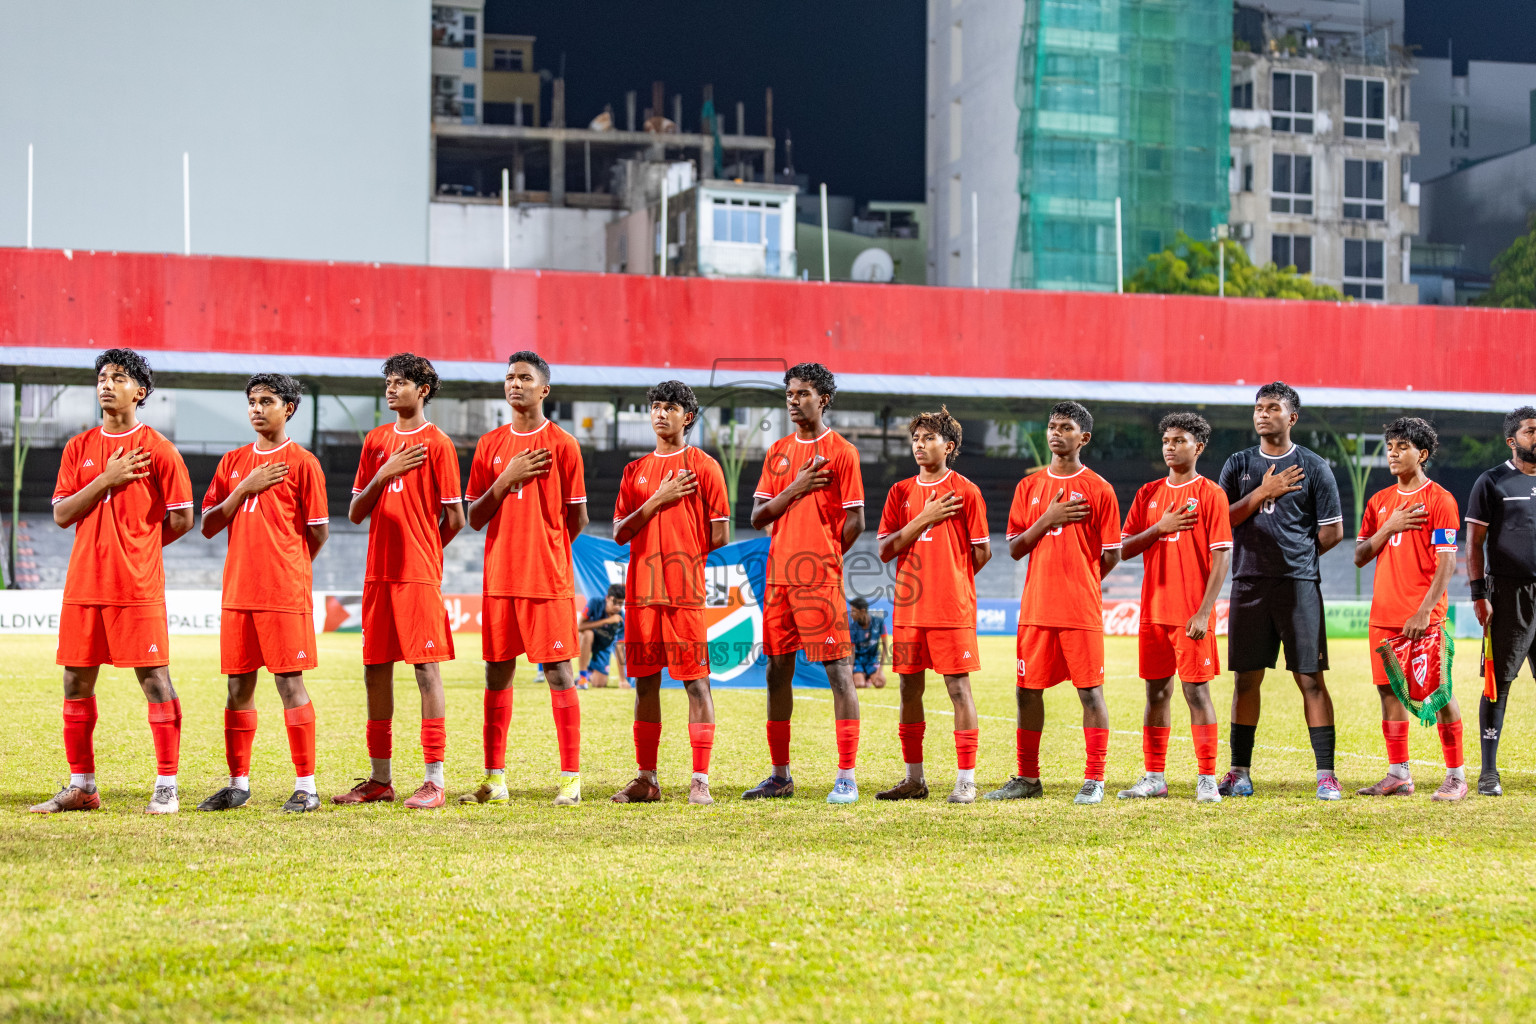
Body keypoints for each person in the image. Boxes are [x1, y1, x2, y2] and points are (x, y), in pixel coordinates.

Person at [31, 348, 195, 815]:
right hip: (84, 584)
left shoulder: (160, 449)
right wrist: (105, 479)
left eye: (118, 377)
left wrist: (139, 548)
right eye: (102, 377)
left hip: (136, 588)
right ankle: (82, 786)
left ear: (140, 392)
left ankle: (166, 786)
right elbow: (62, 513)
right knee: (75, 682)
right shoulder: (78, 448)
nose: (106, 384)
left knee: (156, 681)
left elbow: (182, 518)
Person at [333, 353, 464, 811]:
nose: (391, 389)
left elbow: (455, 517)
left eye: (401, 382)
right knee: (375, 671)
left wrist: (426, 549)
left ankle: (434, 780)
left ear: (423, 389)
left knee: (426, 672)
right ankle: (380, 779)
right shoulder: (375, 441)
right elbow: (354, 512)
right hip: (378, 575)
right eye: (388, 382)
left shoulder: (439, 444)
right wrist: (384, 473)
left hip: (418, 575)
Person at [195, 374, 329, 814]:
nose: (256, 408)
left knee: (290, 683)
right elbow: (210, 524)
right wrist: (243, 488)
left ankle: (306, 786)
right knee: (238, 686)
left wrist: (286, 567)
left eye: (266, 401)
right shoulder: (233, 461)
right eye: (251, 401)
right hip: (238, 593)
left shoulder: (303, 463)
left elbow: (317, 532)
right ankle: (238, 784)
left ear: (288, 407)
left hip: (283, 593)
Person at [461, 351, 587, 807]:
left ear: (544, 389)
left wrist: (545, 547)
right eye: (509, 377)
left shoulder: (564, 444)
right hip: (499, 579)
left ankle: (571, 781)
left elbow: (576, 518)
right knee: (497, 674)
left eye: (525, 378)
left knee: (559, 673)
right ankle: (495, 781)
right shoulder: (489, 445)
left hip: (546, 580)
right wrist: (505, 480)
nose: (515, 384)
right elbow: (474, 516)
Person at [1216, 382, 1346, 801]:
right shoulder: (1238, 464)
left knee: (1310, 678)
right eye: (1258, 407)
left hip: (1298, 585)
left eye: (1273, 408)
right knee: (1245, 680)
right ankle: (1239, 772)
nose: (1262, 414)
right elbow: (1221, 522)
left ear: (1291, 418)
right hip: (1249, 583)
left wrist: (1297, 558)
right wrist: (1261, 493)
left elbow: (1334, 532)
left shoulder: (1314, 466)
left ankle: (1326, 775)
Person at [986, 401, 1121, 805]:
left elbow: (1111, 554)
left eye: (1065, 427)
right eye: (1051, 426)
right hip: (1036, 609)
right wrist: (1047, 518)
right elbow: (1014, 547)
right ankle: (1028, 778)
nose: (1055, 433)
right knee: (1026, 691)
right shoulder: (1028, 488)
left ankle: (1094, 778)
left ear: (1084, 438)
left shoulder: (1100, 489)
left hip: (1079, 610)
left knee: (1090, 692)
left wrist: (1081, 584)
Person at [743, 363, 866, 804]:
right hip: (779, 580)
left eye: (803, 394)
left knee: (839, 673)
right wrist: (794, 488)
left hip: (820, 580)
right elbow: (758, 517)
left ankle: (846, 776)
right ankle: (780, 775)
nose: (794, 401)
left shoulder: (843, 452)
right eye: (790, 394)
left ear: (824, 399)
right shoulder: (777, 452)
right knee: (778, 672)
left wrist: (827, 556)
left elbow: (855, 521)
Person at [610, 381, 731, 805]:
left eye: (671, 407)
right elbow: (621, 531)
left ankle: (700, 779)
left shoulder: (706, 467)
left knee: (697, 685)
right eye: (656, 407)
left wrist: (679, 552)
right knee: (644, 684)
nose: (661, 414)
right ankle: (647, 779)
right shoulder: (635, 471)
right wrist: (657, 501)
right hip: (641, 595)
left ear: (688, 416)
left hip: (683, 594)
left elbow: (720, 534)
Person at [875, 407, 990, 803]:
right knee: (908, 689)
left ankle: (966, 780)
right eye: (916, 439)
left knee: (958, 689)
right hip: (909, 611)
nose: (920, 445)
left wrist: (950, 577)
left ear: (949, 445)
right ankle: (913, 779)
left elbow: (982, 552)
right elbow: (886, 550)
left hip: (950, 610)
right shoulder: (900, 493)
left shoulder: (967, 492)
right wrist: (922, 520)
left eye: (928, 438)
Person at [1117, 413, 1232, 804]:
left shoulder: (1212, 494)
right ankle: (1154, 777)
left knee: (1196, 694)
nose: (1169, 446)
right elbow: (1124, 549)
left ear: (1198, 447)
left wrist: (1204, 611)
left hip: (1191, 615)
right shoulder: (1148, 493)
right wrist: (1159, 528)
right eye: (1166, 440)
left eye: (1179, 440)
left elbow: (1221, 558)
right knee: (1156, 695)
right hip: (1153, 612)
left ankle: (1206, 778)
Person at [1354, 417, 1466, 801]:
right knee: (1389, 693)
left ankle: (1456, 776)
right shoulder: (1379, 502)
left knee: (1438, 692)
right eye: (1390, 447)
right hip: (1383, 616)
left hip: (1422, 619)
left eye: (1402, 447)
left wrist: (1424, 610)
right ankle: (1398, 774)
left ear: (1422, 453)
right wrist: (1390, 526)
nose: (1393, 454)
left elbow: (1447, 561)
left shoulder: (1440, 500)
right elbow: (1359, 556)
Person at [1465, 406, 1536, 796]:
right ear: (1513, 440)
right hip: (1508, 594)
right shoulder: (1492, 482)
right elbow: (1473, 543)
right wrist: (1479, 594)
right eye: (1530, 431)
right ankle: (1488, 772)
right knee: (1499, 683)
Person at [578, 586, 627, 689]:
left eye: (621, 603)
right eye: (615, 602)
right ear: (607, 598)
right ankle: (582, 678)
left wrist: (622, 680)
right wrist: (606, 621)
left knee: (599, 684)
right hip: (586, 640)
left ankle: (590, 672)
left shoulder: (621, 618)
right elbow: (579, 626)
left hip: (603, 647)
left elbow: (620, 648)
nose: (617, 607)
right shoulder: (594, 603)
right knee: (588, 634)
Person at [849, 597, 888, 689]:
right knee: (859, 684)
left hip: (872, 660)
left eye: (853, 611)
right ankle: (863, 676)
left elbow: (885, 646)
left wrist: (880, 670)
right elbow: (852, 652)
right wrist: (850, 672)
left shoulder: (879, 622)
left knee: (880, 683)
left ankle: (868, 676)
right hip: (858, 661)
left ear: (862, 611)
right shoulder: (852, 627)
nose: (851, 614)